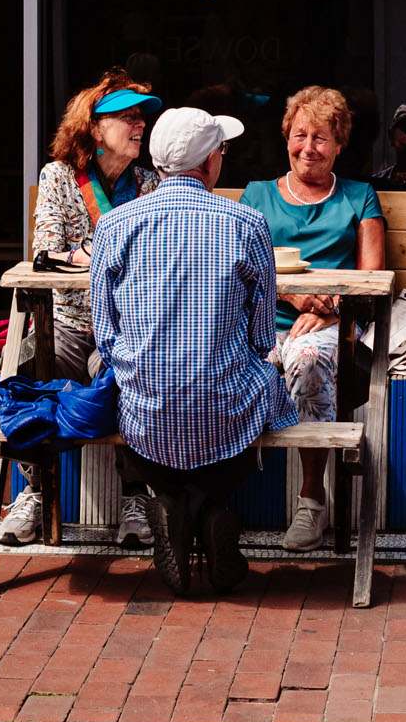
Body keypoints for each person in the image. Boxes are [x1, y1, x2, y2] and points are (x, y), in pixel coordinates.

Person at [90, 106, 296, 600]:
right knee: (268, 378)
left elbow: (104, 335)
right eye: (221, 149)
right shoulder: (246, 222)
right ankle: (208, 505)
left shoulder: (115, 226)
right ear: (207, 164)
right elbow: (262, 337)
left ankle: (173, 502)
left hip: (146, 415)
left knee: (117, 377)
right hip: (223, 410)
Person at [2, 69, 160, 549]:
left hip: (127, 329)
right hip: (67, 325)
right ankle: (32, 491)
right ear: (94, 128)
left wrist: (87, 257)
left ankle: (135, 497)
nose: (139, 126)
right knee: (26, 368)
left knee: (140, 375)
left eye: (141, 119)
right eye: (126, 118)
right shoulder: (59, 177)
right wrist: (107, 258)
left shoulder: (150, 183)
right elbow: (45, 252)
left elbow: (153, 264)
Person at [242, 86, 386, 551]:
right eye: (299, 135)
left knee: (305, 357)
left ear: (340, 144)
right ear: (286, 137)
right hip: (265, 319)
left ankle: (311, 501)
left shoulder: (360, 197)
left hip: (335, 327)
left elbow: (373, 281)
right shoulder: (258, 195)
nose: (308, 147)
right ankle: (214, 493)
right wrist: (298, 297)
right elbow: (237, 269)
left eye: (321, 138)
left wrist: (332, 314)